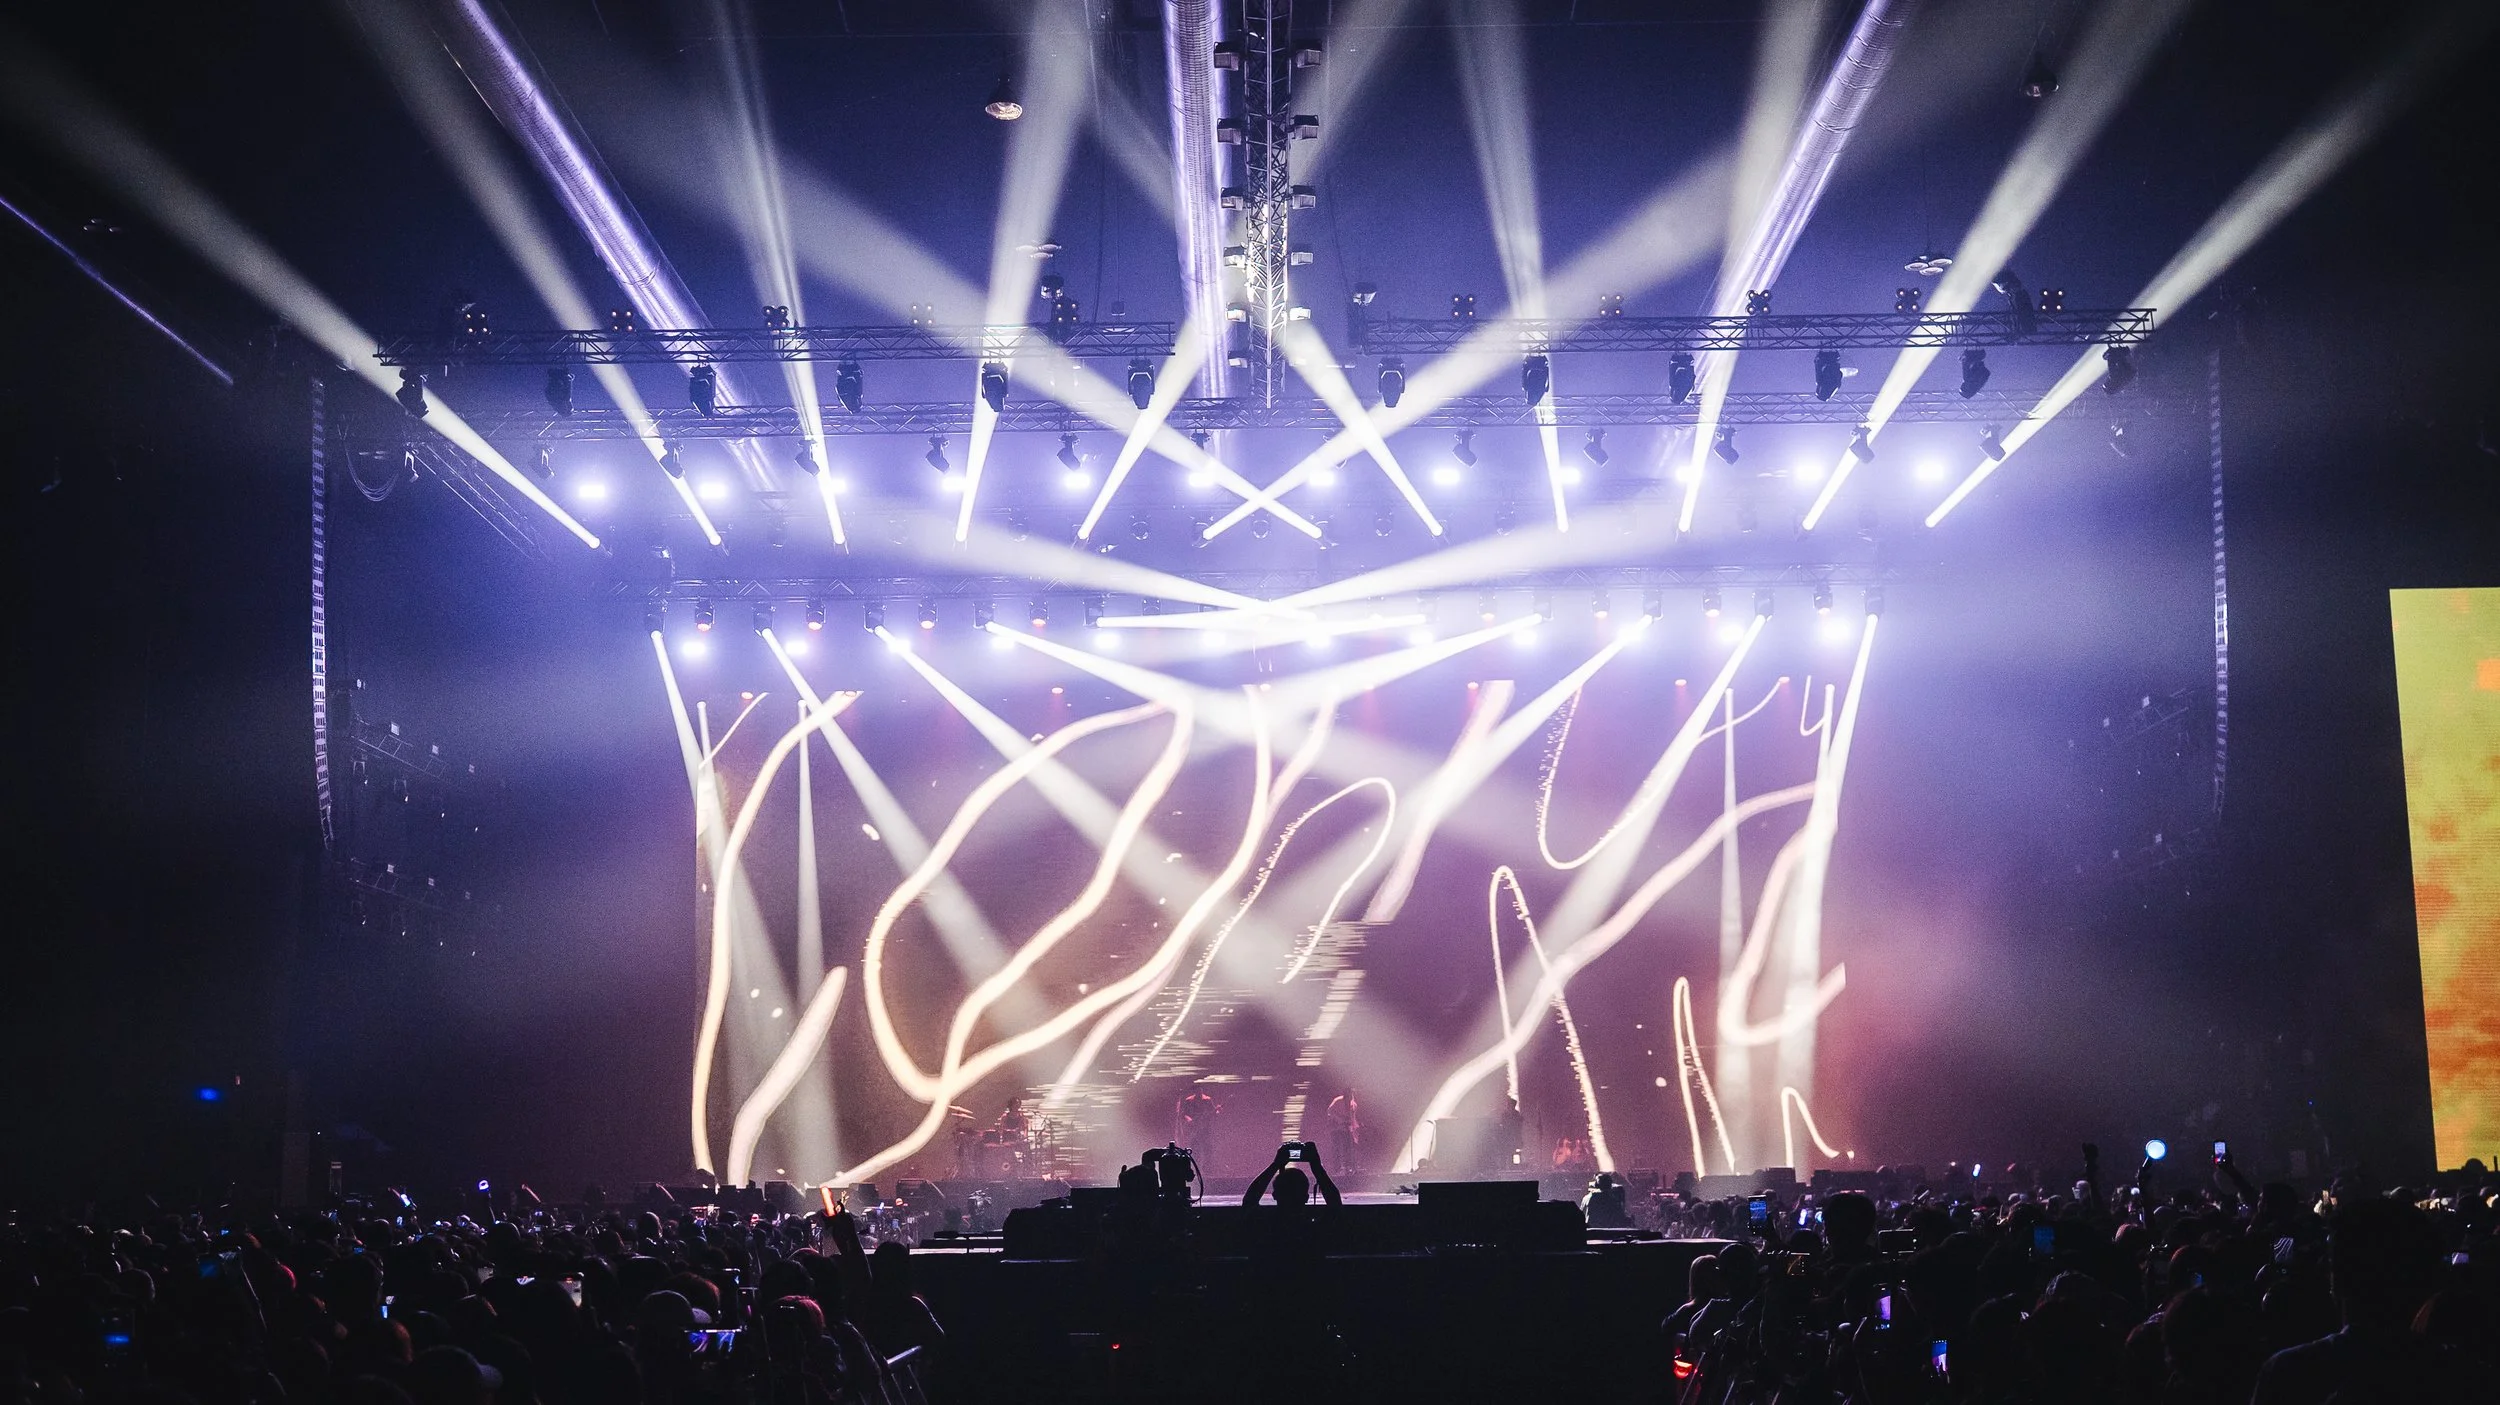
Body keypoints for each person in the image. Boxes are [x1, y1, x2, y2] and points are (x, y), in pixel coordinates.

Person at [1242, 1141, 1342, 1209]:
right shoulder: (1317, 1229)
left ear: (1274, 1195)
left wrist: (1276, 1164)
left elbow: (1249, 1201)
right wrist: (1317, 1167)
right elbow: (1335, 1204)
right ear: (1306, 1197)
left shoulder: (1267, 1226)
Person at [1323, 1087, 1361, 1174]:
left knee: (1347, 1147)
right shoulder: (1338, 1101)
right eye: (1348, 1094)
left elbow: (1352, 1118)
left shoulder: (1353, 1104)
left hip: (1345, 1129)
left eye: (1351, 1094)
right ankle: (1337, 1168)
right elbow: (1330, 1111)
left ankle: (1348, 1167)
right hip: (1335, 1129)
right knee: (1337, 1148)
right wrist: (1339, 1120)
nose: (1350, 1096)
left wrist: (1355, 1129)